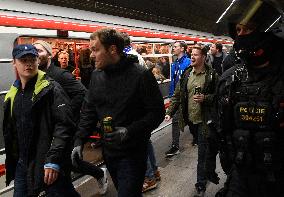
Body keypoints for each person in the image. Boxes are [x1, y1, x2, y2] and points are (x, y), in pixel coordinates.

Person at [71, 28, 165, 197]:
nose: (91, 55)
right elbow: (89, 110)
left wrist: (129, 131)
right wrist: (79, 139)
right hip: (109, 153)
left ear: (112, 49)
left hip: (132, 153)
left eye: (95, 50)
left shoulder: (141, 75)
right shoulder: (97, 76)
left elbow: (157, 113)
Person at [214, 0, 284, 196]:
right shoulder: (229, 80)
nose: (241, 35)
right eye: (238, 29)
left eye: (249, 29)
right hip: (240, 175)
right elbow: (220, 129)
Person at [33, 40, 109, 195]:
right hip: (50, 131)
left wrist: (65, 112)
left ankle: (99, 173)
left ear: (49, 54)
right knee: (68, 164)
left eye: (40, 51)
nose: (35, 54)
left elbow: (82, 93)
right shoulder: (37, 76)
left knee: (65, 165)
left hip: (63, 128)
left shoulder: (60, 75)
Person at [3, 44, 79, 196]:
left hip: (46, 161)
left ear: (38, 61)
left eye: (32, 59)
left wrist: (53, 159)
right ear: (14, 63)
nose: (29, 63)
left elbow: (64, 126)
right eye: (23, 60)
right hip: (22, 161)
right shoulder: (13, 93)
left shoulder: (51, 89)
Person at [165, 44, 218, 197]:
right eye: (191, 54)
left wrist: (206, 98)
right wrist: (170, 111)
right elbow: (177, 95)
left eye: (196, 55)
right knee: (203, 152)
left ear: (203, 57)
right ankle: (206, 172)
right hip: (190, 121)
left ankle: (200, 184)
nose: (192, 57)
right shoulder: (187, 74)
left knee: (202, 154)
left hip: (204, 121)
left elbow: (220, 96)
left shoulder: (212, 75)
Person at [165, 41, 191, 157]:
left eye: (175, 47)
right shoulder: (174, 64)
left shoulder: (188, 63)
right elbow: (173, 82)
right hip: (176, 97)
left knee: (190, 119)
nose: (173, 49)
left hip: (186, 97)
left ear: (182, 49)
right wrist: (171, 96)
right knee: (175, 121)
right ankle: (175, 146)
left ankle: (196, 135)